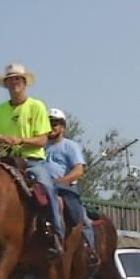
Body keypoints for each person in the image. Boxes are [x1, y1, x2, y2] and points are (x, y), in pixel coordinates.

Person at [0, 63, 62, 256]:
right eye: (10, 80)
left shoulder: (36, 106)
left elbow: (42, 140)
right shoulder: (0, 110)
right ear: (6, 84)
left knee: (47, 188)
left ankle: (56, 235)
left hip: (31, 161)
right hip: (4, 159)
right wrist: (0, 139)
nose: (14, 83)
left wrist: (21, 140)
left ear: (25, 82)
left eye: (18, 79)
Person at [45, 108, 98, 263]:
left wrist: (61, 181)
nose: (51, 127)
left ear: (62, 127)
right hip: (42, 187)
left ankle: (89, 248)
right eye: (48, 124)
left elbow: (78, 170)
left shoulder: (70, 146)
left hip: (64, 189)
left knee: (82, 218)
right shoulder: (41, 147)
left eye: (55, 124)